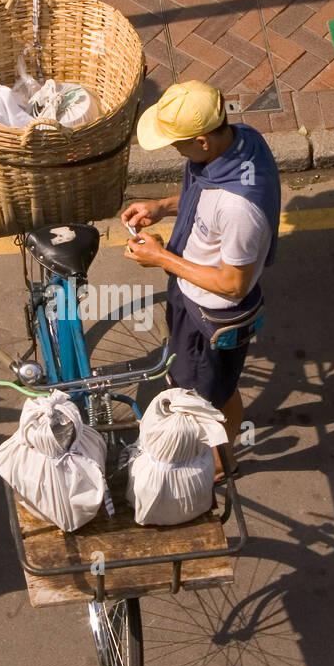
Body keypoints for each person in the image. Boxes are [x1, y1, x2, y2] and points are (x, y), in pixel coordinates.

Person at [122, 80, 280, 480]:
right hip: (190, 297)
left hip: (209, 315)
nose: (176, 153)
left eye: (178, 145)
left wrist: (161, 258)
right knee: (214, 384)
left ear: (202, 141)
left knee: (210, 395)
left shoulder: (240, 209)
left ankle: (222, 463)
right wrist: (162, 206)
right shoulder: (241, 139)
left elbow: (233, 285)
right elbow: (205, 201)